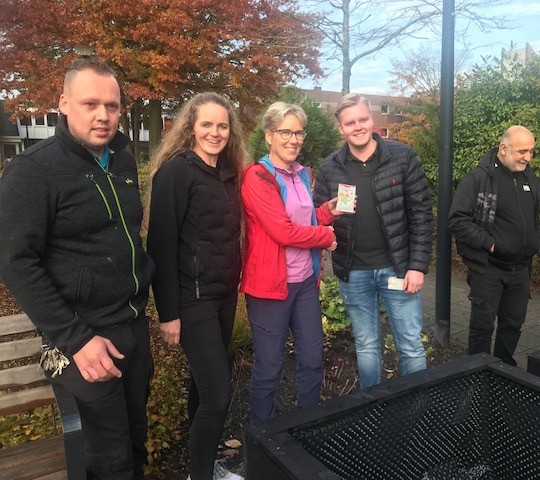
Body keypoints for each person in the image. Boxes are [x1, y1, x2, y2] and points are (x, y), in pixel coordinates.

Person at [0, 58, 155, 479]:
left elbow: (125, 237)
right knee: (107, 460)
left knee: (137, 440)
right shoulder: (33, 171)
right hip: (85, 338)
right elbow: (15, 261)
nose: (103, 115)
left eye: (112, 105)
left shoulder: (121, 161)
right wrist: (75, 339)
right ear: (64, 103)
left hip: (132, 327)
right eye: (90, 104)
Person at [147, 93, 245, 480]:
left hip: (222, 297)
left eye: (222, 125)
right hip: (192, 301)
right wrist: (168, 312)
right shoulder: (177, 171)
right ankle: (201, 476)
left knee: (204, 388)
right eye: (206, 124)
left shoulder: (228, 173)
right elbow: (160, 244)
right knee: (219, 395)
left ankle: (202, 465)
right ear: (191, 126)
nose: (215, 132)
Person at [313, 93, 433, 389]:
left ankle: (419, 406)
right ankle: (373, 408)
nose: (358, 127)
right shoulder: (329, 167)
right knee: (366, 346)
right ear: (340, 128)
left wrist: (417, 266)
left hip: (398, 270)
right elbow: (318, 217)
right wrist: (326, 231)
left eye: (363, 119)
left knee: (410, 345)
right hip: (354, 272)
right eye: (350, 122)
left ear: (372, 120)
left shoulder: (403, 157)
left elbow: (420, 213)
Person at [241, 102, 342, 424]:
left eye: (298, 132)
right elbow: (282, 231)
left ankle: (307, 428)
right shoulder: (257, 177)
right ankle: (264, 438)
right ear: (269, 135)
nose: (293, 139)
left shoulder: (302, 174)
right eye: (285, 132)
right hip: (270, 289)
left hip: (305, 284)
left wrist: (327, 212)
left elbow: (305, 218)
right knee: (269, 367)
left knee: (312, 360)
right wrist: (325, 237)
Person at [448, 126, 540, 366]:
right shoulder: (479, 178)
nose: (527, 157)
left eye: (531, 151)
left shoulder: (528, 177)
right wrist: (490, 244)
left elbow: (530, 219)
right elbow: (457, 219)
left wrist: (536, 242)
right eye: (522, 151)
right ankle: (477, 373)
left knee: (513, 325)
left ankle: (504, 370)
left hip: (520, 269)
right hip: (489, 268)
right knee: (482, 327)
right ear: (503, 148)